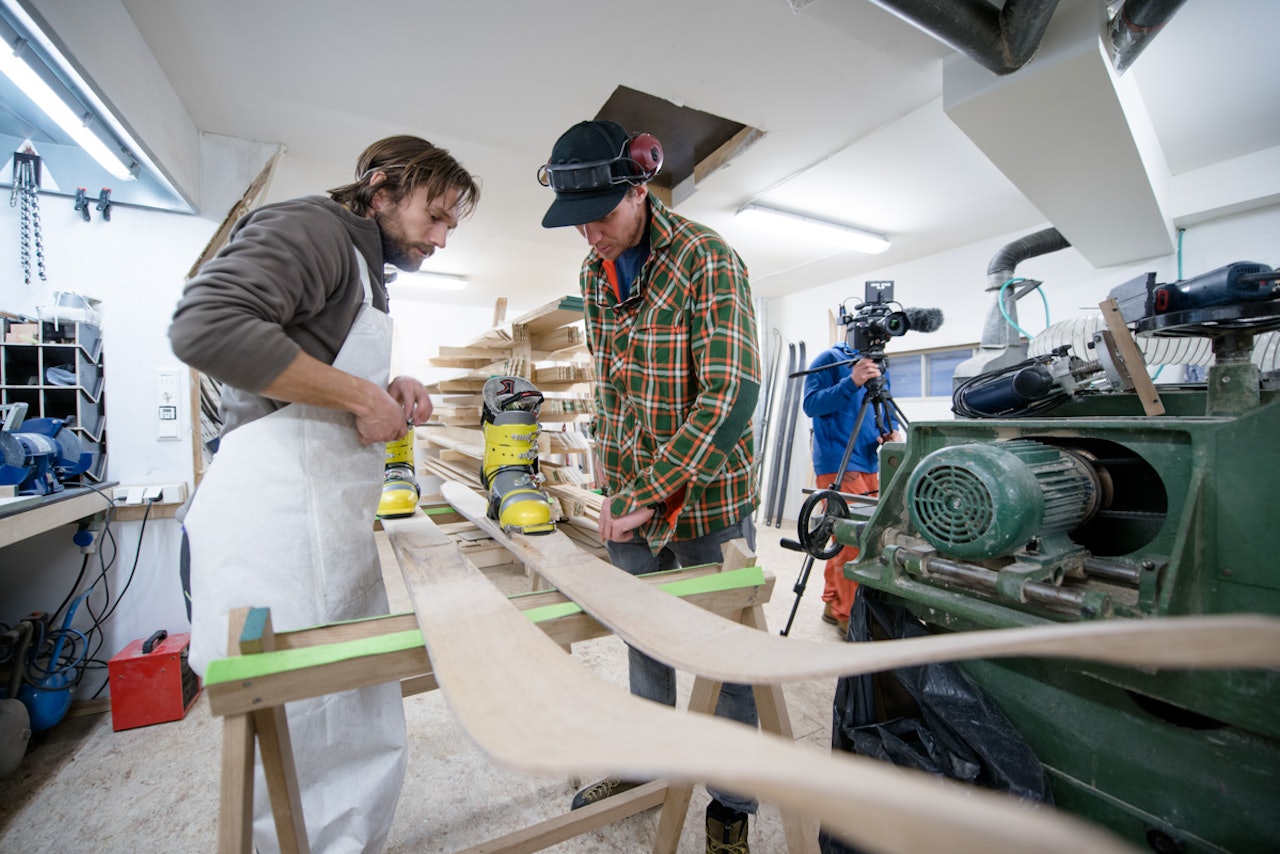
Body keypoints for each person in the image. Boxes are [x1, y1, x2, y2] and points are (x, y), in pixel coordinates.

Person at [169, 135, 479, 854]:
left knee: (348, 716)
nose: (440, 239)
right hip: (275, 519)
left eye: (451, 226)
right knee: (300, 724)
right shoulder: (314, 227)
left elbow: (313, 367)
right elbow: (207, 326)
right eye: (434, 216)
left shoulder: (367, 269)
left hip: (322, 520)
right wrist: (360, 397)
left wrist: (387, 386)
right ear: (380, 189)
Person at [539, 119, 762, 853]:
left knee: (724, 660)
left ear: (640, 186)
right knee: (644, 639)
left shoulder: (707, 258)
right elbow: (613, 386)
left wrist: (654, 490)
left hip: (707, 502)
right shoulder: (593, 273)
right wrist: (610, 475)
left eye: (601, 216)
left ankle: (731, 804)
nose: (590, 236)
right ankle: (646, 767)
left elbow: (731, 393)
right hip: (631, 494)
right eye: (577, 223)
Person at [801, 343, 904, 636]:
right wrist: (851, 381)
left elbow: (883, 403)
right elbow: (811, 404)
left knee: (848, 536)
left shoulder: (877, 366)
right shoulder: (830, 359)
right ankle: (849, 617)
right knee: (852, 540)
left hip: (870, 460)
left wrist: (891, 430)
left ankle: (833, 602)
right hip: (839, 462)